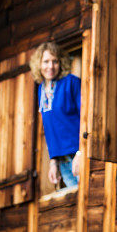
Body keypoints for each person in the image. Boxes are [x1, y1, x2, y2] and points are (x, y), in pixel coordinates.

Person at [30, 41, 81, 189]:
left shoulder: (71, 82)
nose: (50, 66)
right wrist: (53, 161)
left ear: (61, 63)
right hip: (62, 159)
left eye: (55, 61)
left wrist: (81, 152)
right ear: (38, 64)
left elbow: (85, 117)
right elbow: (49, 127)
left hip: (77, 155)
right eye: (46, 62)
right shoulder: (41, 90)